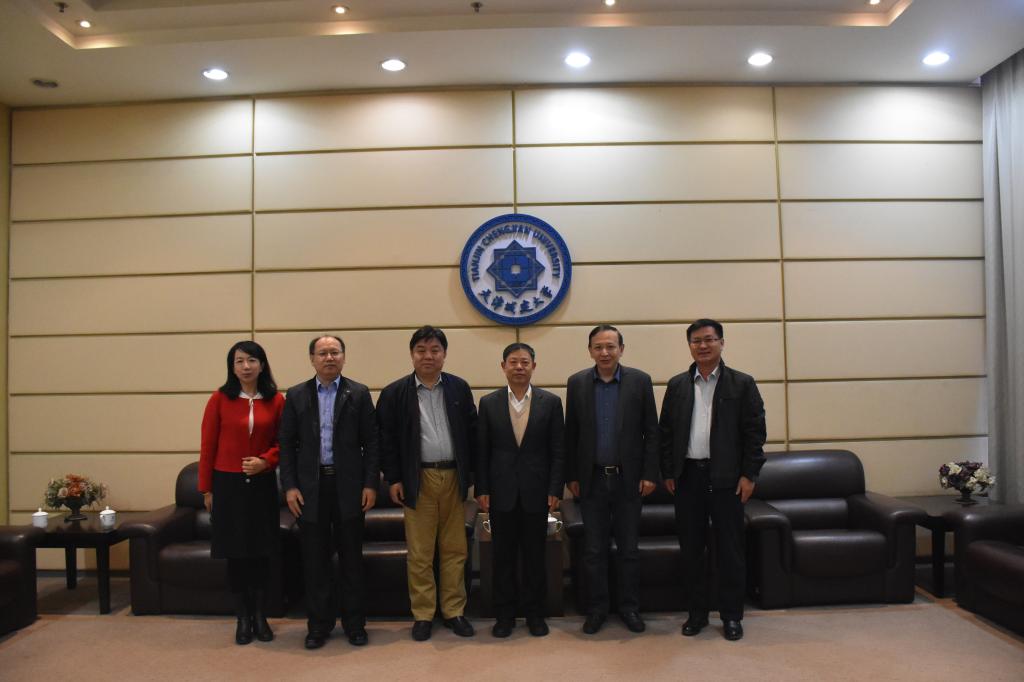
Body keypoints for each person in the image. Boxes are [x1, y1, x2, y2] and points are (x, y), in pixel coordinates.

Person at [659, 319, 766, 642]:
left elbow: (755, 433)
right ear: (689, 346)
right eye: (696, 341)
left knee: (730, 550)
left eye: (709, 339)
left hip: (728, 478)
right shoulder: (677, 385)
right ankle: (697, 614)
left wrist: (749, 475)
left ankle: (732, 616)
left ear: (721, 342)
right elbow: (666, 433)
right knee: (692, 550)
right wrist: (669, 472)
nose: (703, 346)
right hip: (688, 477)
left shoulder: (742, 383)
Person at [278, 335, 380, 650]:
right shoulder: (296, 395)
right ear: (312, 359)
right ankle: (318, 625)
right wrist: (290, 486)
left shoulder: (358, 393)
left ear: (344, 357)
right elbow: (286, 445)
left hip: (348, 487)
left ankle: (355, 624)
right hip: (310, 488)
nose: (329, 358)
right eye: (322, 353)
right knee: (315, 561)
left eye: (335, 352)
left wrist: (370, 484)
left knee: (352, 560)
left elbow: (371, 443)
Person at [377, 325, 478, 641]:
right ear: (412, 355)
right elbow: (386, 441)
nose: (428, 356)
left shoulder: (459, 388)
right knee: (420, 553)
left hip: (454, 477)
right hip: (417, 478)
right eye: (421, 350)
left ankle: (454, 611)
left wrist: (473, 477)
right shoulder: (394, 393)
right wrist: (394, 478)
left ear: (444, 354)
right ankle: (422, 614)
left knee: (455, 550)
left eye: (435, 350)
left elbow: (472, 434)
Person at [564, 324, 659, 635]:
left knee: (629, 549)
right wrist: (572, 476)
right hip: (591, 480)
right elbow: (571, 434)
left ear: (621, 349)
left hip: (628, 480)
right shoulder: (577, 383)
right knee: (594, 551)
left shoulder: (640, 381)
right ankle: (597, 610)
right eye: (598, 347)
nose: (604, 352)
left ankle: (630, 608)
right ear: (590, 350)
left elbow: (651, 432)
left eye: (610, 346)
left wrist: (649, 473)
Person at [476, 343, 565, 638]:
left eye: (524, 362)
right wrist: (482, 489)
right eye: (513, 362)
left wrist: (555, 488)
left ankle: (535, 614)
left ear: (533, 367)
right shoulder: (488, 403)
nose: (519, 367)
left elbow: (558, 450)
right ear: (503, 366)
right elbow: (482, 451)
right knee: (502, 558)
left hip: (537, 492)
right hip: (500, 491)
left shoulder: (550, 402)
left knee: (534, 557)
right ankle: (505, 616)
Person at [199, 340, 285, 646]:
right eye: (239, 361)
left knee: (261, 552)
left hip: (261, 484)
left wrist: (266, 461)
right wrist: (206, 488)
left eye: (251, 360)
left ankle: (261, 616)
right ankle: (242, 618)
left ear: (262, 365)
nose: (246, 366)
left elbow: (284, 443)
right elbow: (208, 445)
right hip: (227, 485)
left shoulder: (276, 400)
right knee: (236, 554)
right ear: (232, 367)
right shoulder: (219, 399)